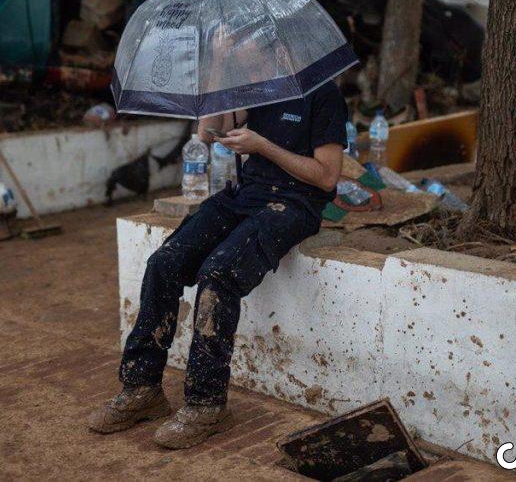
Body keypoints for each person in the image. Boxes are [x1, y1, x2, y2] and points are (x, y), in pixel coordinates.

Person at [87, 80, 348, 449]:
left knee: (219, 274)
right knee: (164, 262)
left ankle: (206, 404)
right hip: (244, 195)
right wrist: (219, 78)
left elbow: (326, 176)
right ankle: (141, 387)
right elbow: (205, 135)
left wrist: (262, 147)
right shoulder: (257, 86)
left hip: (293, 203)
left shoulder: (323, 95)